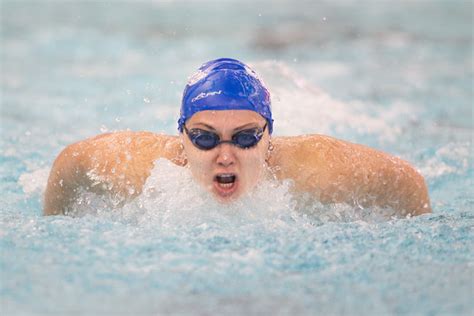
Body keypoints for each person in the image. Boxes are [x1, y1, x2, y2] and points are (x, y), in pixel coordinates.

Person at [43, 58, 431, 216]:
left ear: (268, 138)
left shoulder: (319, 172)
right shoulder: (137, 168)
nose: (225, 156)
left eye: (244, 138)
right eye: (205, 139)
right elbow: (71, 163)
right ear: (182, 139)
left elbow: (408, 182)